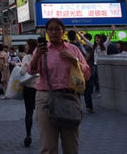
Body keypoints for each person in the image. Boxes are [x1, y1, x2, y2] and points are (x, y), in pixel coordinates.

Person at [28, 18, 91, 154]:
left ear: (63, 31)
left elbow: (87, 72)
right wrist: (37, 55)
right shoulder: (42, 50)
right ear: (46, 32)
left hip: (69, 98)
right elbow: (31, 70)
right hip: (45, 98)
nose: (54, 32)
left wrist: (73, 60)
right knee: (48, 147)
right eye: (50, 29)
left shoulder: (73, 49)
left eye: (57, 29)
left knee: (71, 146)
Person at [20, 39, 39, 147]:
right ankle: (45, 134)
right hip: (40, 87)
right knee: (42, 112)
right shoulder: (41, 55)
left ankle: (28, 135)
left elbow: (23, 72)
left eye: (26, 45)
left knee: (29, 112)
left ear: (30, 46)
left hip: (29, 87)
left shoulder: (26, 58)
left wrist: (21, 66)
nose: (25, 47)